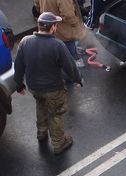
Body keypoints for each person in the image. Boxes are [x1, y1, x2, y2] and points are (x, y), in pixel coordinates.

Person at [14, 12, 83, 155]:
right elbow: (70, 66)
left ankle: (41, 132)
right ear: (52, 28)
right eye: (55, 25)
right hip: (53, 89)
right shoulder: (57, 45)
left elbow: (19, 66)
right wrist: (78, 79)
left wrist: (19, 84)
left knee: (41, 106)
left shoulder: (25, 41)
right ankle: (59, 143)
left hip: (34, 88)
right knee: (55, 114)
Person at [34, 0, 87, 68]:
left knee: (55, 43)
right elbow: (68, 15)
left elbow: (36, 4)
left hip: (48, 25)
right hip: (62, 28)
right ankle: (75, 61)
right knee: (69, 43)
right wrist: (76, 23)